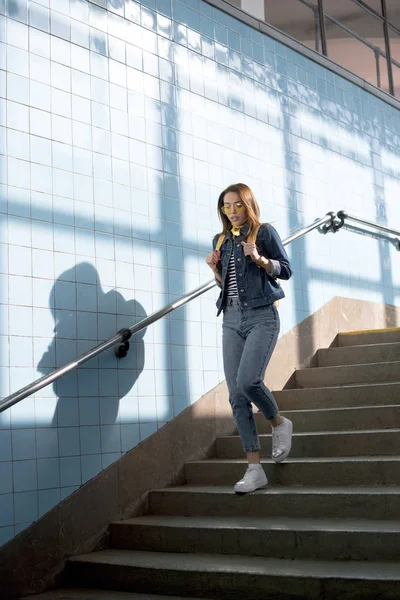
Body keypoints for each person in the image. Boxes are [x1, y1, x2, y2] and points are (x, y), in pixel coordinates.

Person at [206, 183, 293, 494]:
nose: (231, 212)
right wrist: (215, 270)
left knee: (248, 381)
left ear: (248, 205)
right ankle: (254, 469)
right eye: (226, 207)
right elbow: (227, 285)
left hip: (261, 316)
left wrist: (260, 259)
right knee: (236, 397)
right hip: (230, 319)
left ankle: (279, 423)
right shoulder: (221, 240)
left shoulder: (265, 232)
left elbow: (285, 270)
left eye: (237, 205)